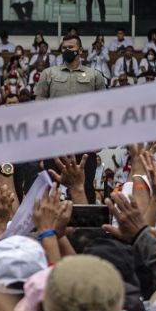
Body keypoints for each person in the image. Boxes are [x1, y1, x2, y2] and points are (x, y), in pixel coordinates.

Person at [35, 34, 107, 202]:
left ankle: (84, 225)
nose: (66, 51)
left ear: (80, 50)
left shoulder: (94, 75)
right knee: (52, 186)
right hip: (54, 139)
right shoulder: (49, 73)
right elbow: (39, 107)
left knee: (85, 186)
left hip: (84, 139)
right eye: (64, 48)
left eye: (71, 48)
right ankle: (51, 224)